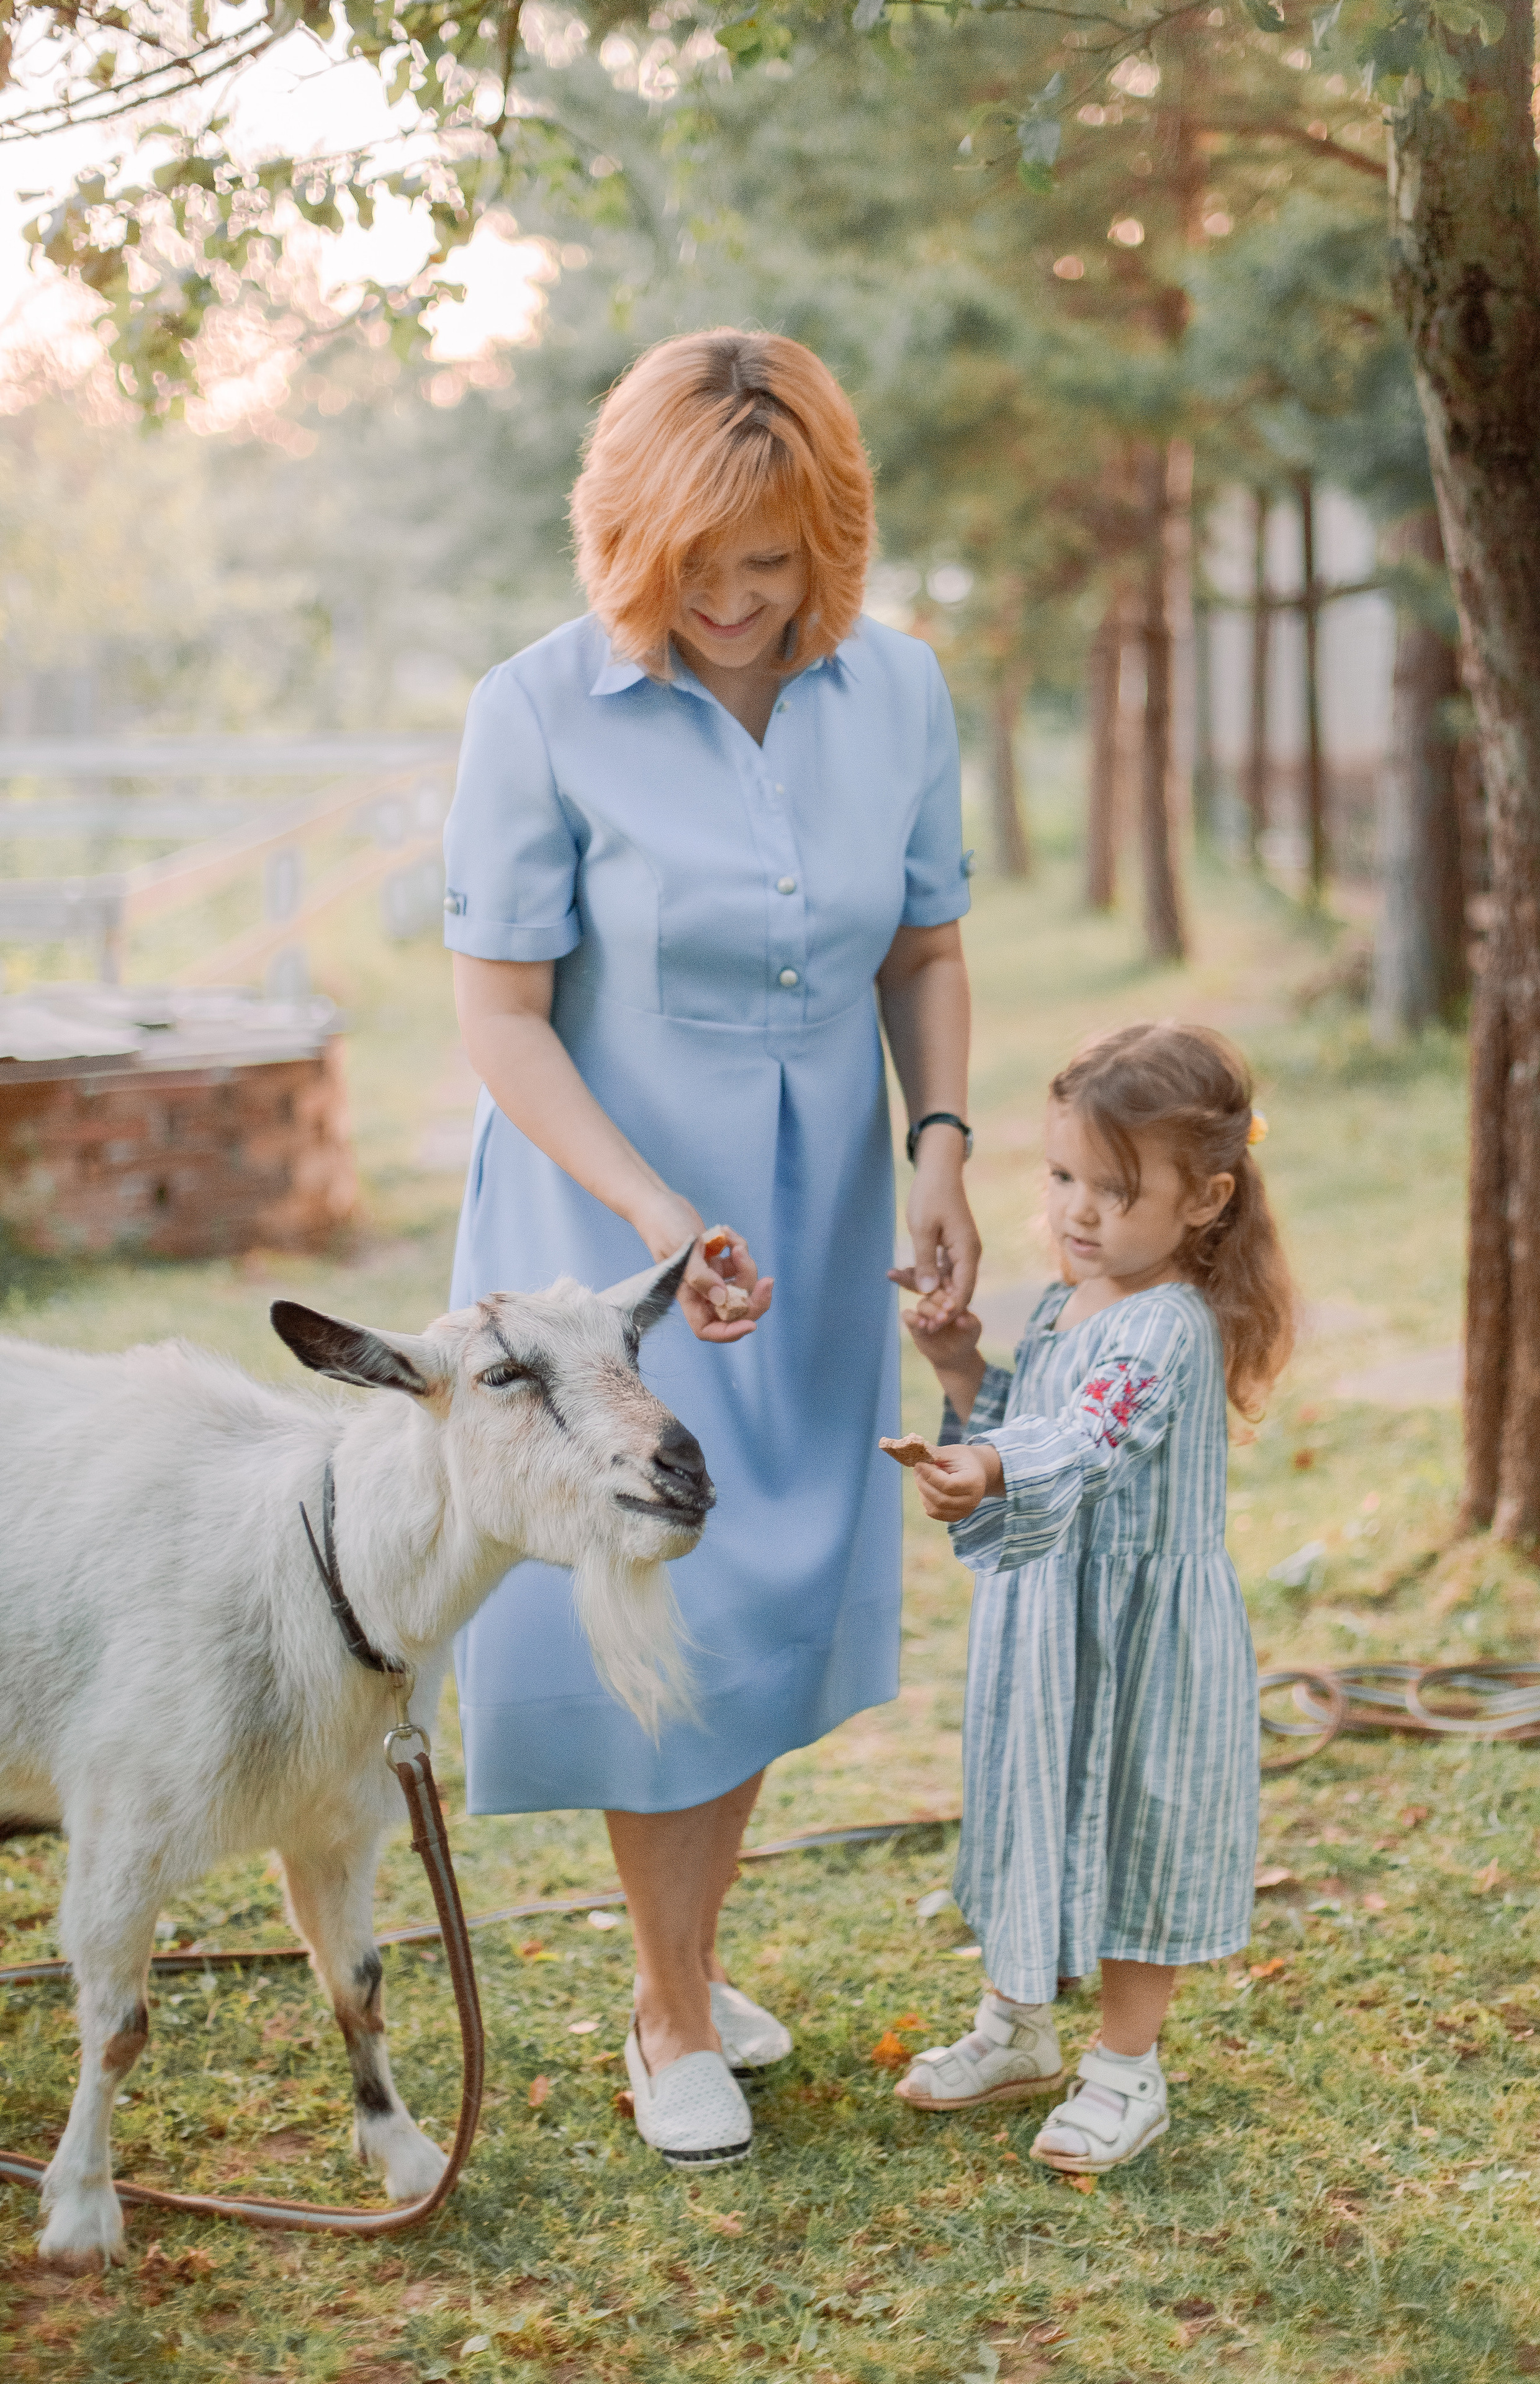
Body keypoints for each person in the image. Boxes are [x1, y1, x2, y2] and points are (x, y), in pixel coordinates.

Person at [441, 329, 979, 2169]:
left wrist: (939, 1145)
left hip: (817, 1212)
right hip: (608, 1225)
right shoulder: (533, 711)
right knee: (651, 1580)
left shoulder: (897, 691)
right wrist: (662, 1224)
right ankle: (668, 2006)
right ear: (629, 540)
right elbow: (502, 1020)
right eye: (704, 569)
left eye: (780, 564)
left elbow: (922, 947)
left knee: (765, 1579)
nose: (744, 605)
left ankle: (688, 1957)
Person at [891, 1021, 1294, 2175]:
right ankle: (1016, 2026)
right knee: (1029, 1806)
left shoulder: (1166, 1325)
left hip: (1141, 1642)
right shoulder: (1076, 1301)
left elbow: (1086, 1433)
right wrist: (969, 1377)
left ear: (1206, 1199)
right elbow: (1030, 1413)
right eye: (1063, 1177)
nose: (1075, 1211)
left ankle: (1126, 2067)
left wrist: (998, 1465)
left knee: (1135, 1835)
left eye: (1112, 1191)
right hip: (1047, 1624)